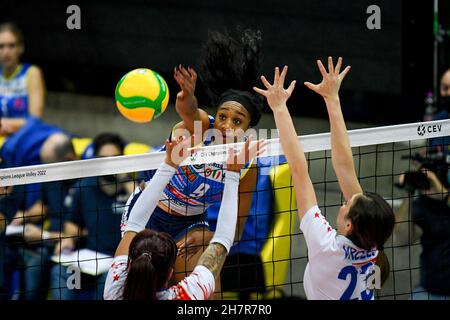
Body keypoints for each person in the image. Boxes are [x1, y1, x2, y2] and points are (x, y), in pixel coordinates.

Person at [121, 29, 264, 285]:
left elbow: (237, 230)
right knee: (145, 284)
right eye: (222, 116)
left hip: (192, 222)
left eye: (237, 120)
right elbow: (190, 111)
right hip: (150, 211)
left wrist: (204, 237)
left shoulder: (248, 163)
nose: (226, 125)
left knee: (209, 281)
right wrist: (187, 96)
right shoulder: (201, 127)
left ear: (248, 129)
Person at [253, 58, 395, 300]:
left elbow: (298, 169)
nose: (344, 202)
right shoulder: (371, 246)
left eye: (347, 204)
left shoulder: (324, 244)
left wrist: (278, 107)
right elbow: (345, 169)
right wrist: (332, 99)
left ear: (349, 225)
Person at [104, 133, 265, 300]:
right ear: (170, 275)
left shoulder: (115, 289)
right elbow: (223, 240)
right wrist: (233, 174)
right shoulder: (186, 296)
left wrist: (169, 164)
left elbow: (134, 224)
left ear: (131, 264)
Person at [50, 133, 133, 300]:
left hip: (121, 264)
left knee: (108, 281)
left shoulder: (134, 189)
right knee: (62, 273)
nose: (109, 163)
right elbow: (72, 225)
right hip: (88, 264)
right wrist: (68, 240)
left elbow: (144, 207)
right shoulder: (84, 187)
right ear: (96, 160)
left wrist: (124, 179)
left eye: (115, 158)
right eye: (104, 159)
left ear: (123, 159)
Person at [394, 168, 450, 299]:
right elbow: (402, 240)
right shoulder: (422, 206)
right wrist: (408, 193)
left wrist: (443, 192)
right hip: (430, 290)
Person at [0, 22, 45, 136]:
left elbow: (35, 120)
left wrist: (5, 124)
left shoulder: (31, 73)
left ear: (20, 48)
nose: (6, 52)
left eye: (11, 46)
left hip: (24, 138)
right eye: (1, 46)